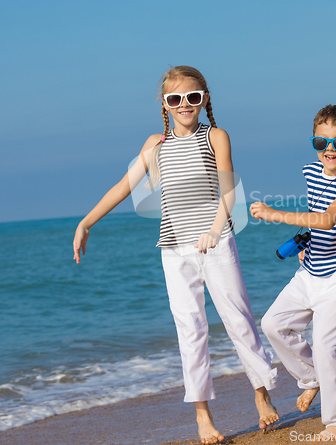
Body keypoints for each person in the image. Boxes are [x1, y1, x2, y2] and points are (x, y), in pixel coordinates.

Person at [73, 66, 279, 444]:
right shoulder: (155, 145)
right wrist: (87, 222)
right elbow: (124, 187)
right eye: (175, 99)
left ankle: (261, 392)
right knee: (191, 332)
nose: (185, 104)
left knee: (239, 320)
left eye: (193, 97)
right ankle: (203, 416)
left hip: (216, 244)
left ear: (204, 99)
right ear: (164, 105)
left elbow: (229, 192)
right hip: (174, 250)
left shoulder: (215, 136)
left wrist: (215, 231)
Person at [250, 104, 336, 441]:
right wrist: (307, 244)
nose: (330, 150)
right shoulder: (310, 171)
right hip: (311, 269)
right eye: (321, 143)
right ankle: (311, 378)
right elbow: (318, 218)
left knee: (327, 346)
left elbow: (330, 217)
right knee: (273, 324)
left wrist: (275, 214)